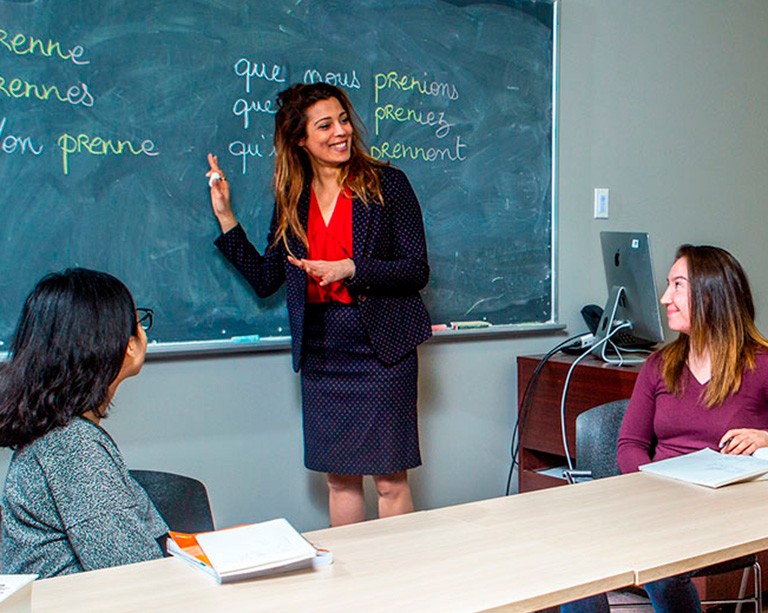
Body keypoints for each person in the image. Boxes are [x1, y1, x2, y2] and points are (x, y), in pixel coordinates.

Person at [206, 82, 431, 527]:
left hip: (383, 347)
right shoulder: (294, 198)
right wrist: (227, 218)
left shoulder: (388, 185)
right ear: (300, 139)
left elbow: (416, 269)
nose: (340, 132)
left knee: (389, 480)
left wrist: (351, 268)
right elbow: (268, 277)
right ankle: (351, 589)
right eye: (325, 125)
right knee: (340, 480)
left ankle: (401, 580)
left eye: (343, 120)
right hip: (324, 351)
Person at [562, 244, 768, 613]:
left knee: (661, 562)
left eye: (677, 285)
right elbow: (630, 443)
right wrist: (650, 485)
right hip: (657, 501)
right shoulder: (661, 364)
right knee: (573, 550)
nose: (664, 298)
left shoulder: (761, 365)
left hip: (721, 512)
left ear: (710, 293)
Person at [0, 268, 168, 577]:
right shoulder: (72, 447)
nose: (142, 333)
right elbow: (134, 574)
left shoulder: (56, 433)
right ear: (121, 344)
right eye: (136, 322)